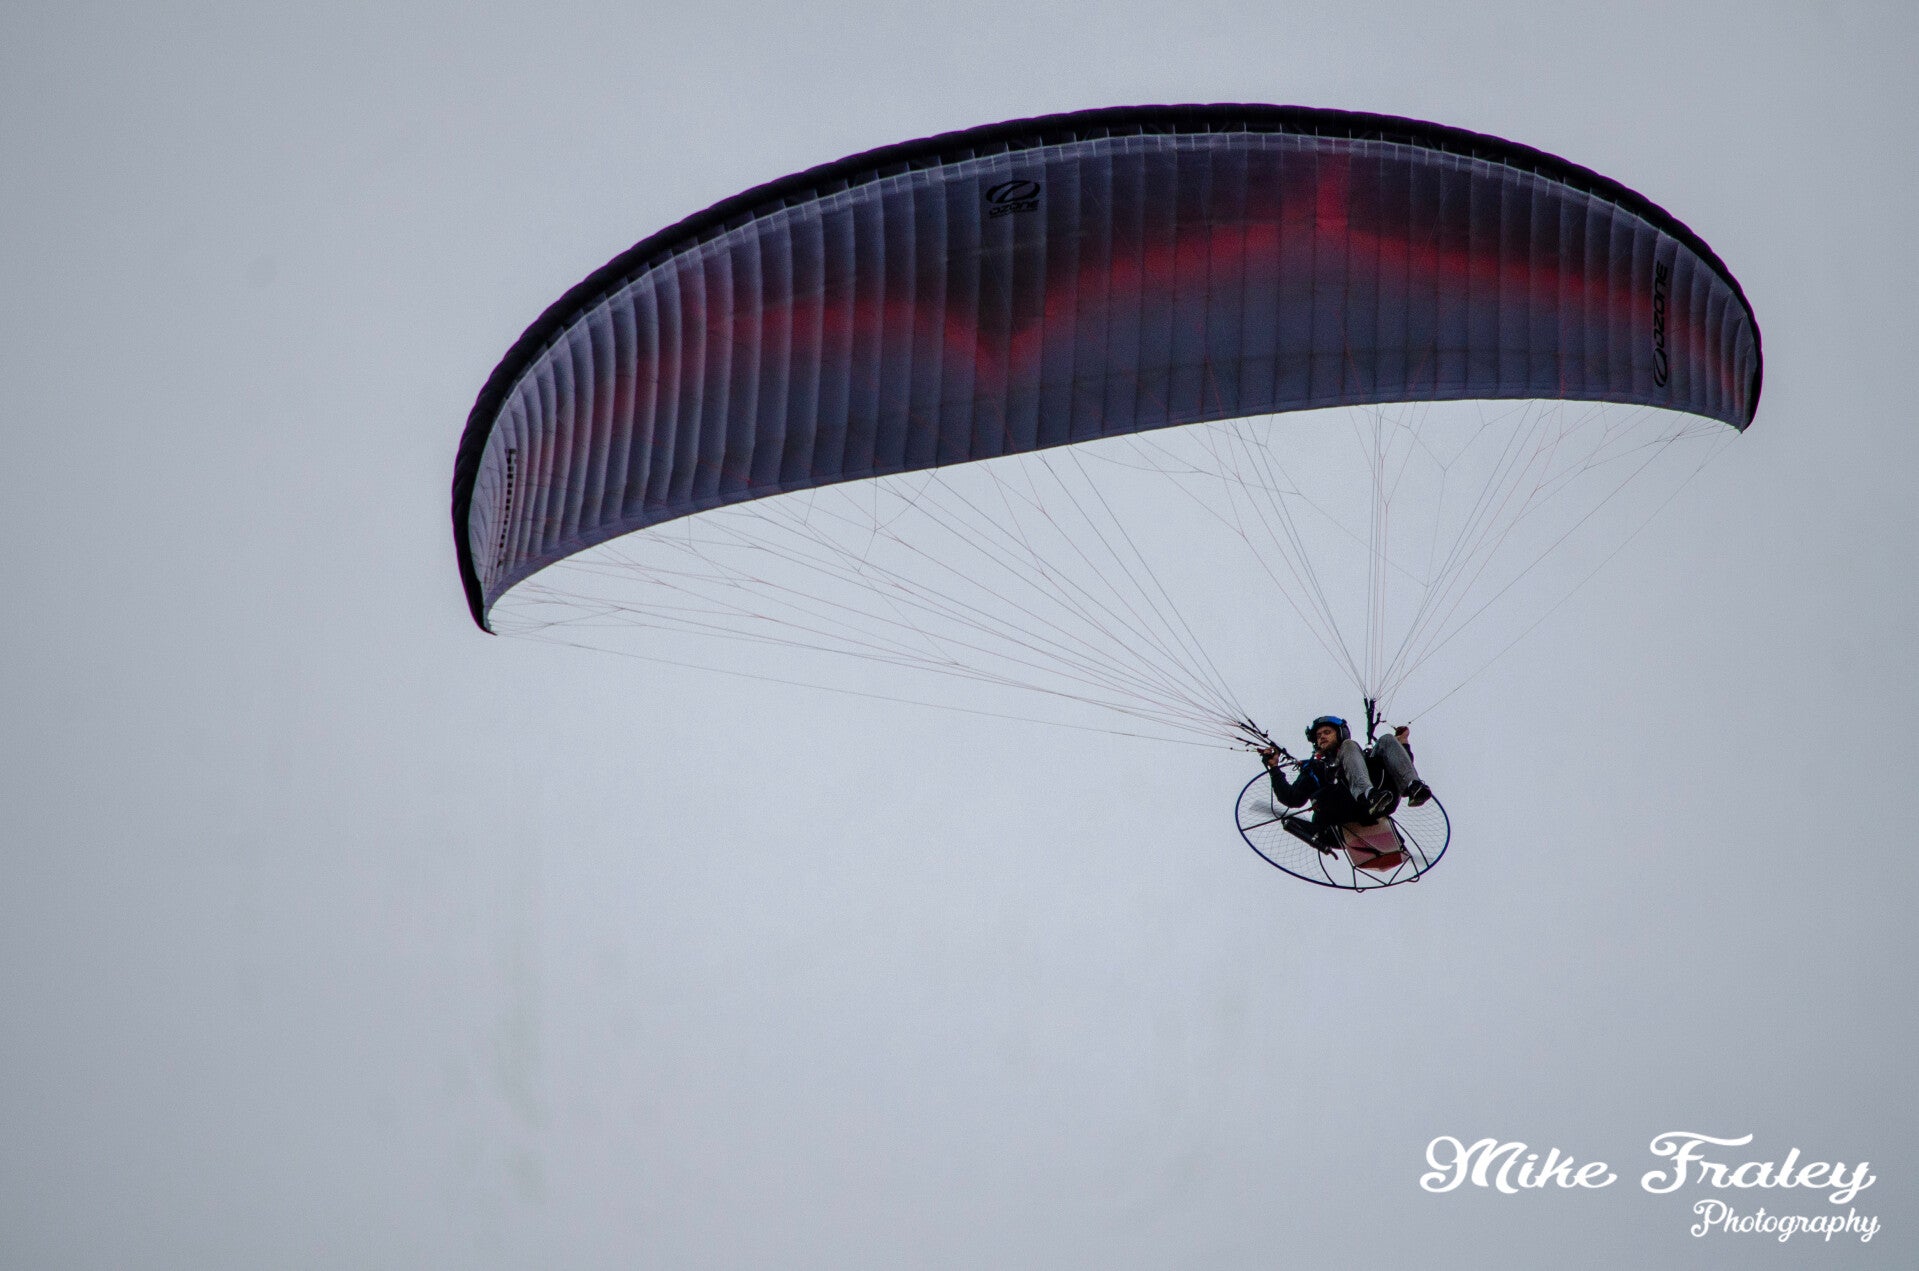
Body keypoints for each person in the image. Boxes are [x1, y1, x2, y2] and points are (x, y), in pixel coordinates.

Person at [1260, 715, 1433, 852]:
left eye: (1327, 732)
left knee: (1387, 739)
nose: (1322, 737)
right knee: (1349, 746)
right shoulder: (1317, 769)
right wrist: (1274, 768)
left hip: (1384, 798)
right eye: (1318, 736)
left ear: (1340, 733)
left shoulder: (1361, 758)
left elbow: (1401, 766)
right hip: (1344, 807)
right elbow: (1291, 798)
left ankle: (1414, 788)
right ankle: (1368, 795)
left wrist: (1402, 742)